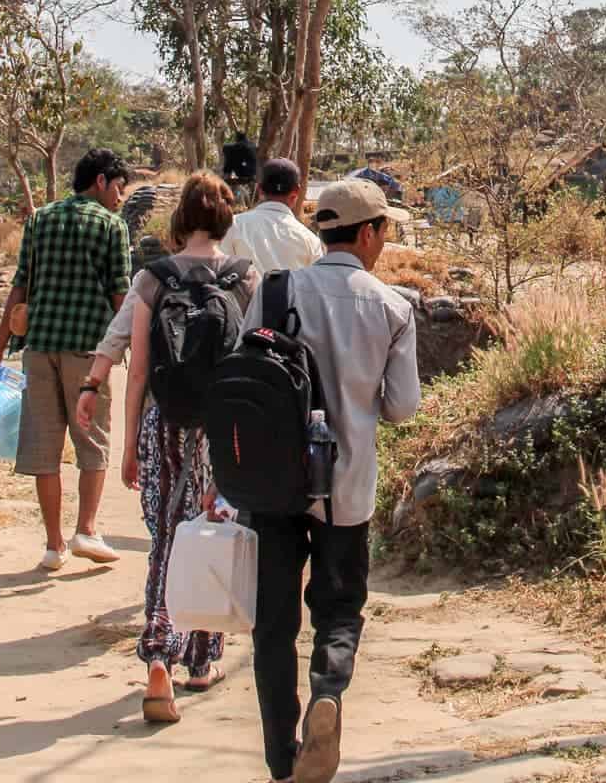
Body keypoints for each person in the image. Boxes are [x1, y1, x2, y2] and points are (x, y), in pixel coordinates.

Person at [209, 179, 419, 783]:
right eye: (385, 229)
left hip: (272, 484)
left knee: (273, 620)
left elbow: (245, 373)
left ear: (324, 231)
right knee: (339, 605)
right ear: (371, 232)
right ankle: (328, 691)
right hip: (346, 488)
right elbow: (403, 407)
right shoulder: (392, 307)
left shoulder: (275, 290)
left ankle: (281, 757)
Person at [123, 172, 261, 723]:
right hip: (223, 431)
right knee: (211, 534)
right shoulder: (245, 278)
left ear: (180, 218)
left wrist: (132, 443)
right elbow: (255, 368)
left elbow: (137, 374)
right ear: (227, 217)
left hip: (163, 424)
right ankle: (201, 659)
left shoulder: (152, 280)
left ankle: (160, 657)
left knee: (166, 537)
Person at [0, 149, 131, 570]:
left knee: (44, 450)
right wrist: (140, 347)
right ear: (101, 181)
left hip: (38, 351)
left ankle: (54, 545)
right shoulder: (111, 226)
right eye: (118, 188)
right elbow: (121, 294)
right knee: (93, 443)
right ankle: (86, 528)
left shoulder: (39, 219)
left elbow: (19, 288)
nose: (120, 198)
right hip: (89, 352)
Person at [220, 157, 323, 274]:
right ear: (296, 192)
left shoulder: (232, 225)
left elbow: (219, 271)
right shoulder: (310, 241)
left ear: (259, 189)